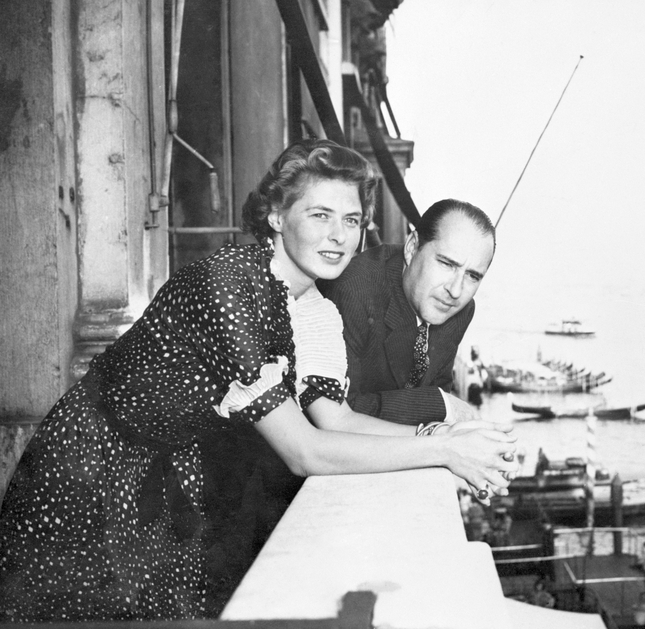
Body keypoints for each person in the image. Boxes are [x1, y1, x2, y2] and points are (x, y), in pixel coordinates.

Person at [0, 139, 518, 622]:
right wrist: (445, 452)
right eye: (320, 215)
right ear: (276, 215)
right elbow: (305, 451)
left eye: (353, 220)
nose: (339, 236)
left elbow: (336, 418)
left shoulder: (313, 309)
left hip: (167, 487)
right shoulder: (230, 285)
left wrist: (444, 437)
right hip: (91, 474)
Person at [319, 198, 496, 426]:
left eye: (472, 276)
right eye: (446, 264)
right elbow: (340, 412)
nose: (455, 290)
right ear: (412, 248)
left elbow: (438, 387)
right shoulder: (355, 290)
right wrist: (440, 404)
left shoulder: (460, 309)